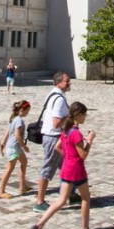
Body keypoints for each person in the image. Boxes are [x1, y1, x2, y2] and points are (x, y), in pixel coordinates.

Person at [31, 102, 95, 229]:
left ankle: (39, 225)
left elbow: (57, 147)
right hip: (77, 171)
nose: (85, 117)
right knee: (85, 199)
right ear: (78, 115)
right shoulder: (76, 133)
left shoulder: (66, 130)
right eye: (84, 114)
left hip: (66, 169)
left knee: (60, 201)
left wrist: (67, 155)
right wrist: (89, 141)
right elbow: (83, 155)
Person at [33, 71, 71, 212]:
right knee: (48, 168)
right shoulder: (59, 99)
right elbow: (56, 122)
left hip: (53, 136)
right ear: (58, 82)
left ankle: (70, 193)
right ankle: (39, 201)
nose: (69, 83)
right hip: (54, 137)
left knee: (68, 165)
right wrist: (69, 117)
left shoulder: (52, 94)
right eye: (67, 81)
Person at [0, 100, 31, 198]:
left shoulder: (14, 119)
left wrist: (3, 142)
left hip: (15, 148)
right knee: (9, 169)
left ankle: (22, 185)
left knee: (24, 162)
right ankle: (1, 191)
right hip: (14, 148)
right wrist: (24, 147)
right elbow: (17, 136)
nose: (28, 112)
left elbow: (8, 132)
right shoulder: (19, 120)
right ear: (22, 110)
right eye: (27, 110)